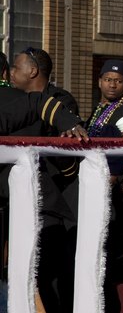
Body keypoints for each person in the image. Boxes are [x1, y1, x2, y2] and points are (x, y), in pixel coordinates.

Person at [5, 48, 86, 312]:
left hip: (53, 202)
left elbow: (69, 161)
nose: (11, 73)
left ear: (33, 71)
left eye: (16, 67)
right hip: (16, 196)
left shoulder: (61, 101)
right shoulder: (14, 100)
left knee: (49, 277)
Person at [88, 59, 123, 307]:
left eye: (118, 81)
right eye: (108, 79)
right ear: (99, 81)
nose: (112, 85)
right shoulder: (99, 109)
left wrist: (112, 176)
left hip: (111, 184)